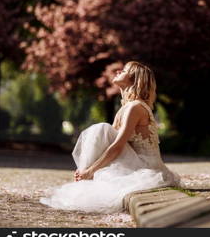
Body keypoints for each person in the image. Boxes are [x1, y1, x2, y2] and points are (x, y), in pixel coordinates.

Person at [40, 61, 181, 213]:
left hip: (146, 167)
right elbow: (108, 145)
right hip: (136, 163)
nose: (119, 70)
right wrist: (87, 169)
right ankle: (84, 176)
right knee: (103, 130)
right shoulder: (128, 107)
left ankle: (85, 177)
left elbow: (117, 146)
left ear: (135, 79)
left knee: (101, 129)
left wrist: (91, 170)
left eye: (125, 70)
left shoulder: (136, 107)